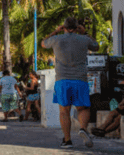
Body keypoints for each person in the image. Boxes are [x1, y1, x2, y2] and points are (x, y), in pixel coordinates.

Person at [42, 17, 99, 148]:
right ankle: (83, 129)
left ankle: (67, 140)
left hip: (62, 80)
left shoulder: (56, 39)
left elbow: (43, 43)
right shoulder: (84, 39)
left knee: (64, 111)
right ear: (77, 27)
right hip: (80, 79)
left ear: (64, 27)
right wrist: (84, 33)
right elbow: (96, 47)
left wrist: (55, 31)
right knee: (83, 108)